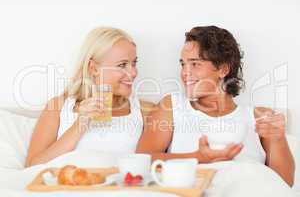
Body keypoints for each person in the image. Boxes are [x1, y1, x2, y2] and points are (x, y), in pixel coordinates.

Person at [137, 26, 295, 186]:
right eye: (183, 64)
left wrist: (278, 139)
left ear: (223, 69)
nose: (185, 72)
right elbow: (141, 161)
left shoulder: (259, 117)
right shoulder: (171, 106)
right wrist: (199, 157)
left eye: (195, 64)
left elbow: (284, 184)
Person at [26, 27, 154, 167]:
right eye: (122, 65)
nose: (134, 72)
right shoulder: (58, 108)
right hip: (70, 187)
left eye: (134, 63)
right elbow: (32, 166)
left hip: (119, 188)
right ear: (93, 68)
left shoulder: (145, 111)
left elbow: (152, 164)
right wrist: (81, 123)